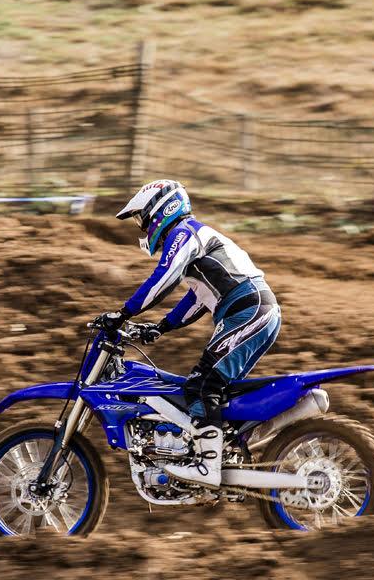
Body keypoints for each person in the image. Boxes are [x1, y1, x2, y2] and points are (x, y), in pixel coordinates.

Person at [96, 179, 281, 487]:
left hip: (249, 312)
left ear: (161, 209)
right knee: (217, 388)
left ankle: (208, 466)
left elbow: (164, 278)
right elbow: (197, 299)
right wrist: (161, 327)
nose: (143, 227)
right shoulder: (197, 240)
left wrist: (123, 313)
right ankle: (226, 453)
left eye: (142, 218)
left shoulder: (185, 233)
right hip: (255, 311)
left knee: (202, 385)